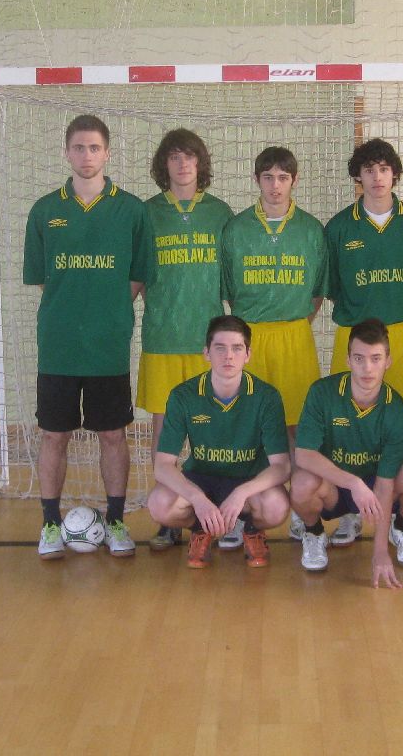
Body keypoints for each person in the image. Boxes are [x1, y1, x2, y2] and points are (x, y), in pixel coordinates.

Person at [24, 115, 153, 559]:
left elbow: (138, 275)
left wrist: (108, 308)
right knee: (53, 436)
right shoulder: (45, 210)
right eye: (79, 147)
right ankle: (50, 524)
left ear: (107, 153)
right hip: (59, 344)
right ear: (67, 152)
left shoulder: (132, 210)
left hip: (107, 344)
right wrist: (75, 307)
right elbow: (45, 280)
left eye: (94, 147)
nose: (86, 155)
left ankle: (115, 520)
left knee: (113, 434)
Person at [323, 138, 403, 547]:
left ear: (395, 174)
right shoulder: (338, 227)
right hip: (353, 337)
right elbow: (333, 288)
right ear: (358, 175)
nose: (376, 177)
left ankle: (401, 520)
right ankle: (349, 513)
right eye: (368, 169)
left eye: (384, 169)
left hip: (400, 337)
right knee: (345, 427)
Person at [219, 146, 328, 539]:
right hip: (250, 339)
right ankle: (241, 513)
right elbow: (229, 290)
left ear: (294, 180)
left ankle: (301, 510)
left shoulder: (311, 230)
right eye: (268, 177)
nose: (275, 185)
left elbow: (317, 292)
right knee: (244, 429)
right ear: (257, 180)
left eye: (283, 177)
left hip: (295, 336)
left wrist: (291, 323)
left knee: (298, 429)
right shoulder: (236, 229)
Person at [136, 129, 234, 553]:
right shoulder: (147, 213)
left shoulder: (221, 213)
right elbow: (137, 276)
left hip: (207, 343)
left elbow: (231, 277)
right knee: (165, 434)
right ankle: (169, 520)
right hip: (162, 338)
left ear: (200, 163)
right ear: (164, 164)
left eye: (189, 156)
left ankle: (218, 512)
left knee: (213, 430)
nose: (182, 164)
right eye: (174, 157)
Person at [290, 319, 403, 587]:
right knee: (301, 482)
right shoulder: (322, 393)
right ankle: (314, 532)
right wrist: (353, 483)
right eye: (359, 358)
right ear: (348, 360)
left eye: (375, 358)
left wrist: (379, 553)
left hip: (377, 490)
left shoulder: (396, 410)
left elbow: (385, 483)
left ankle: (401, 527)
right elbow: (304, 455)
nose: (367, 368)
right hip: (335, 488)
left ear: (388, 361)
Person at [147, 316, 291, 569]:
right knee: (159, 504)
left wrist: (242, 492)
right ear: (206, 353)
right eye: (220, 348)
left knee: (276, 506)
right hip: (201, 479)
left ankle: (252, 530)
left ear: (248, 354)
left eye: (237, 348)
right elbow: (162, 466)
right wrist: (197, 498)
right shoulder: (183, 396)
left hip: (248, 480)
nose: (228, 356)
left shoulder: (266, 396)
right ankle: (202, 528)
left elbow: (282, 466)